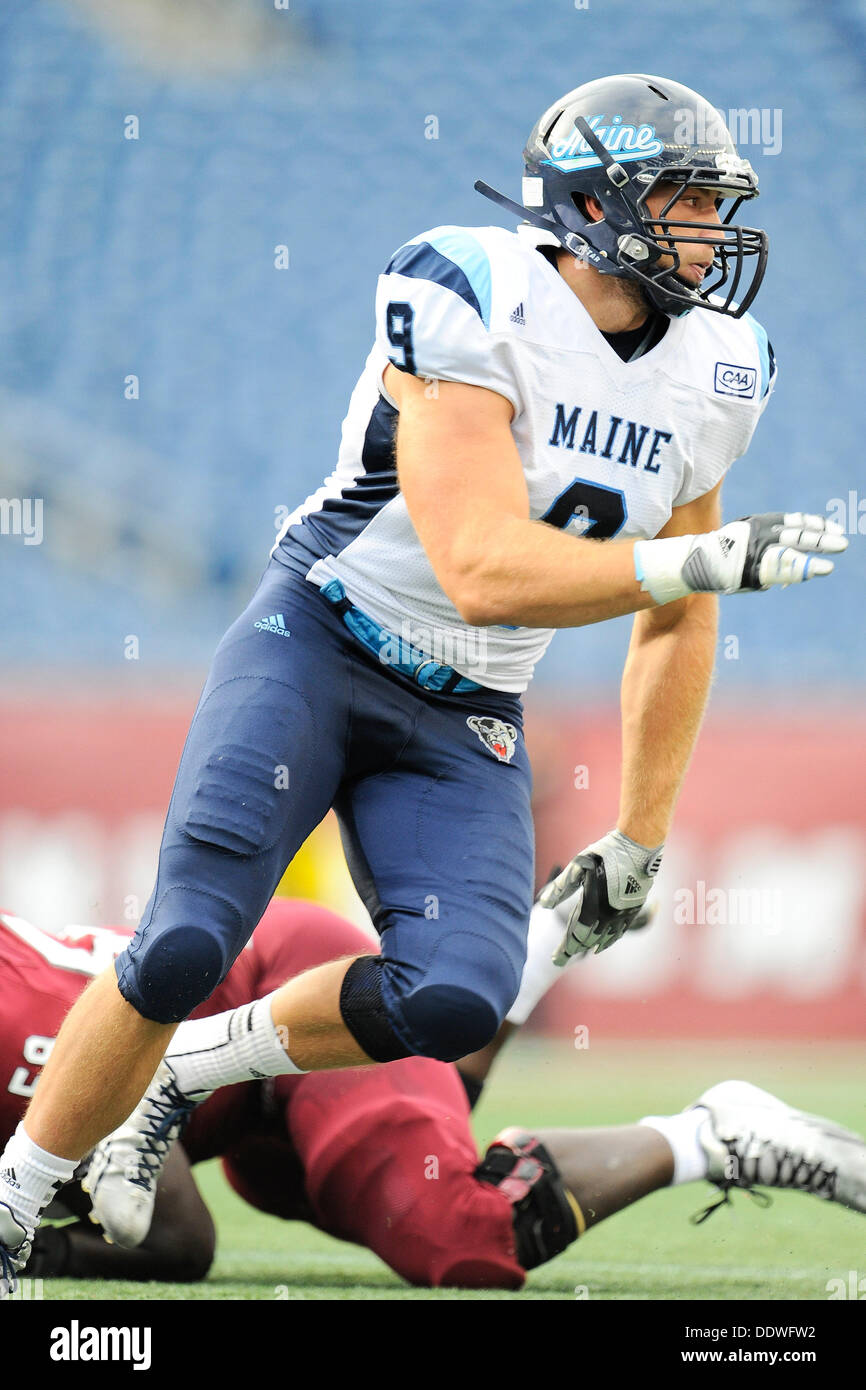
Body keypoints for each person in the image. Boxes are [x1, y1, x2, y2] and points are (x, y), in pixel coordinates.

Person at [0, 73, 849, 1287]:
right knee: (187, 936)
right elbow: (480, 568)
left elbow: (675, 612)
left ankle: (180, 1079)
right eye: (682, 201)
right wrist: (696, 557)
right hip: (323, 637)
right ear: (596, 205)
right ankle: (14, 1206)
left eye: (715, 205)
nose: (711, 234)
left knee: (454, 1000)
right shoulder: (468, 286)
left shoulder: (722, 366)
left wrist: (640, 832)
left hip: (464, 709)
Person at [3, 901, 863, 1293]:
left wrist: (39, 1255)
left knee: (455, 1232)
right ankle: (523, 962)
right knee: (371, 1177)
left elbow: (175, 1238)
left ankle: (711, 1135)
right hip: (246, 1108)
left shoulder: (11, 1025)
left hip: (288, 1006)